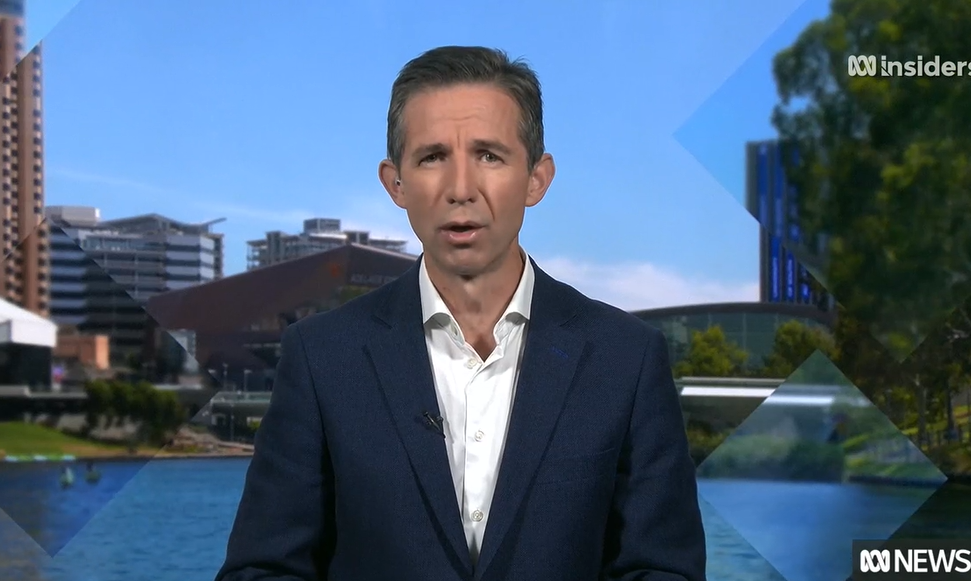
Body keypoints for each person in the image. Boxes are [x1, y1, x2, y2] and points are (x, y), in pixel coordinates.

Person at [216, 46, 706, 581]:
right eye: (432, 157)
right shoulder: (322, 356)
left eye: (489, 156)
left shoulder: (625, 358)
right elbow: (261, 570)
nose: (460, 190)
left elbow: (663, 570)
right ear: (395, 183)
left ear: (537, 179)